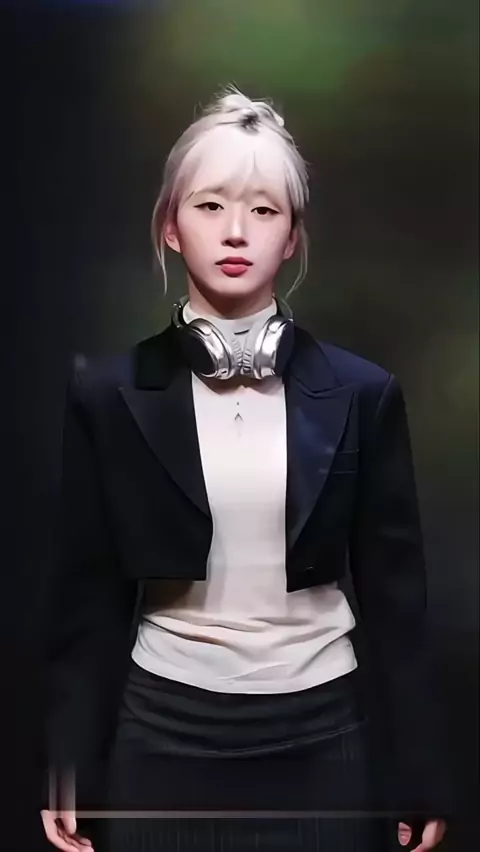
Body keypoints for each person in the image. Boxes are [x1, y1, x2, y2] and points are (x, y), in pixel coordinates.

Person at [40, 85, 452, 851]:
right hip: (160, 738)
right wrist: (66, 767)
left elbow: (399, 603)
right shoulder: (107, 394)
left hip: (326, 737)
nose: (236, 231)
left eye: (264, 210)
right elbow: (86, 598)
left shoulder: (363, 393)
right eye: (209, 206)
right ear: (170, 225)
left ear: (292, 237)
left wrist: (422, 770)